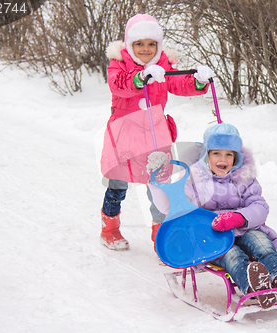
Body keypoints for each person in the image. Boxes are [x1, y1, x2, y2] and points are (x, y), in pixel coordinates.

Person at [148, 123, 277, 309]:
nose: (223, 159)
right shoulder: (193, 178)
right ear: (207, 155)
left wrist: (239, 217)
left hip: (243, 228)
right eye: (216, 153)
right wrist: (158, 183)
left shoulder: (244, 177)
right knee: (233, 256)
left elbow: (259, 206)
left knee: (262, 244)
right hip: (211, 236)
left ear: (236, 157)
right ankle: (253, 285)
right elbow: (170, 207)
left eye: (229, 154)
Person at [99, 13, 215, 251]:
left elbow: (178, 83)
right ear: (130, 44)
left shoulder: (163, 63)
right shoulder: (118, 62)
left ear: (159, 45)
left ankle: (160, 236)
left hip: (154, 135)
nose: (145, 49)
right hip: (125, 135)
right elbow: (117, 84)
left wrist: (198, 81)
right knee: (118, 185)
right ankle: (109, 229)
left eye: (151, 44)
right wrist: (141, 78)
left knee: (159, 187)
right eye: (139, 44)